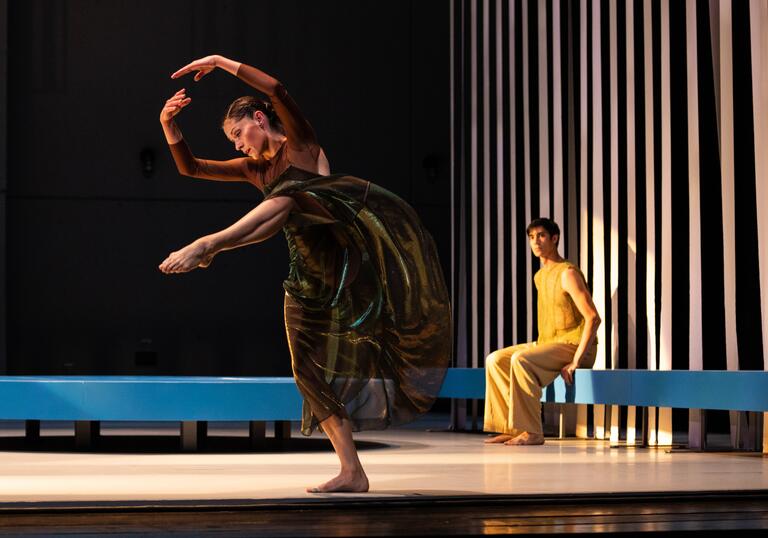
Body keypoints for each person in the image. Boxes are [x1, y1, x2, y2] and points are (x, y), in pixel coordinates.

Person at [157, 55, 452, 493]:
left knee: (291, 194)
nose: (238, 146)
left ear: (259, 119)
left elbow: (276, 89)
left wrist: (220, 62)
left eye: (239, 135)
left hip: (343, 259)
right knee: (306, 370)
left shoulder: (302, 146)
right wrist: (169, 126)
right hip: (306, 273)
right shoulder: (256, 170)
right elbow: (192, 168)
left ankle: (211, 244)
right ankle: (353, 471)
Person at [483, 218, 600, 446]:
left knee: (521, 360)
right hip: (549, 343)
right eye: (531, 237)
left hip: (574, 346)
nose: (535, 241)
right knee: (495, 360)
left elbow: (593, 318)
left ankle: (533, 431)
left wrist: (576, 360)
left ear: (554, 239)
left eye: (541, 236)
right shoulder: (540, 276)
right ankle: (512, 428)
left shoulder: (567, 273)